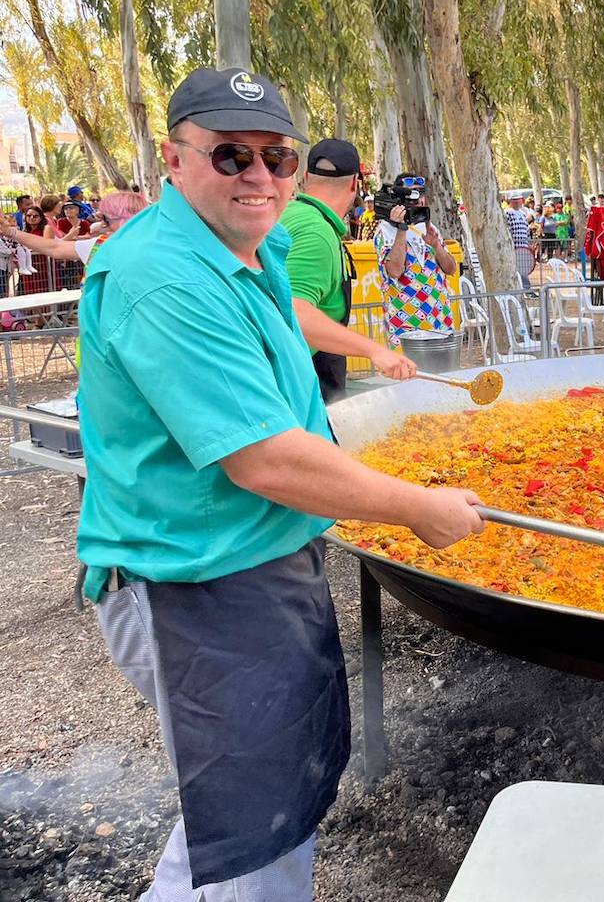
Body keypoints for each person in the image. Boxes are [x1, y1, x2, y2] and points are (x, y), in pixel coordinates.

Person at [77, 66, 485, 901]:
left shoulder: (240, 248)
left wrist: (371, 374)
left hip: (255, 564)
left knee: (266, 815)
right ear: (175, 157)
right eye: (231, 155)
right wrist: (415, 508)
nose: (259, 176)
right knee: (244, 840)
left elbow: (286, 385)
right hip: (192, 585)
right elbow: (262, 456)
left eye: (277, 157)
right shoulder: (160, 275)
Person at [280, 138, 417, 402]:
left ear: (306, 177)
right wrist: (374, 351)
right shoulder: (315, 232)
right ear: (355, 183)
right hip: (297, 384)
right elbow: (293, 312)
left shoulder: (291, 214)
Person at [375, 188, 458, 348]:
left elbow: (451, 269)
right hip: (404, 323)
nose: (418, 204)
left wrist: (436, 246)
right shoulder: (384, 232)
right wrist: (401, 230)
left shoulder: (429, 228)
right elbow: (394, 271)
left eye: (420, 197)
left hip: (439, 319)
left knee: (443, 371)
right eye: (412, 201)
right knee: (408, 373)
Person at [1, 189, 147, 267]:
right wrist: (11, 232)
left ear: (125, 219)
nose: (102, 224)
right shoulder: (101, 245)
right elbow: (54, 247)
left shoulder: (153, 248)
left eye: (106, 219)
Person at [504, 194, 532, 287]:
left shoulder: (523, 214)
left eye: (518, 200)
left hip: (524, 246)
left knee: (524, 268)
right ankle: (521, 287)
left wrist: (529, 244)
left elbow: (527, 230)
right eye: (515, 200)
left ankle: (525, 287)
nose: (517, 202)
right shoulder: (508, 213)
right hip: (514, 247)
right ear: (511, 202)